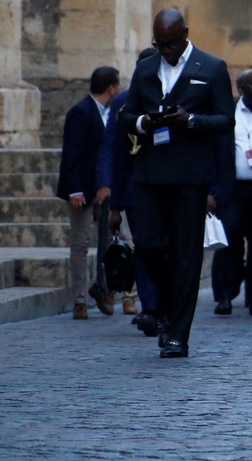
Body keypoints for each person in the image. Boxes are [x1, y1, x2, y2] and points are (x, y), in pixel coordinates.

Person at [117, 9, 235, 357]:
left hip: (190, 176)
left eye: (171, 43)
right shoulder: (146, 68)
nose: (165, 50)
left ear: (185, 33)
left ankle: (177, 334)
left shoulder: (211, 67)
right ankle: (169, 305)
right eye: (159, 44)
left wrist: (191, 120)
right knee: (148, 245)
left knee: (186, 255)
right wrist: (144, 122)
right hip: (150, 172)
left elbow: (225, 120)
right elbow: (126, 115)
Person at [96, 50, 160, 327]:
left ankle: (165, 304)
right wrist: (112, 198)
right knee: (144, 250)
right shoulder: (122, 103)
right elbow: (112, 150)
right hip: (136, 191)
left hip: (169, 188)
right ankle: (151, 306)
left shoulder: (171, 101)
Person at [212, 71, 252, 316]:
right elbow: (215, 153)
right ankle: (225, 296)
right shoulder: (227, 114)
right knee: (229, 241)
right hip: (232, 188)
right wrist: (212, 190)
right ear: (241, 88)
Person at [60, 65, 120, 319]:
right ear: (111, 88)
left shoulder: (110, 114)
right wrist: (74, 189)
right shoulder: (81, 112)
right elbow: (71, 153)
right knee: (81, 243)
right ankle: (80, 300)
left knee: (107, 244)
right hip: (82, 191)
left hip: (103, 191)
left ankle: (102, 288)